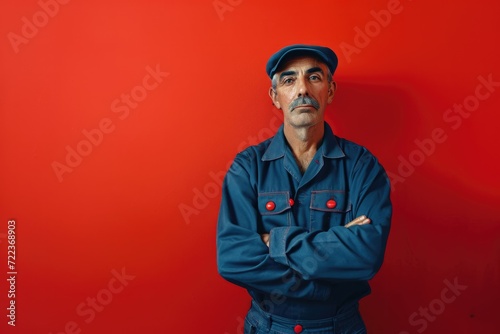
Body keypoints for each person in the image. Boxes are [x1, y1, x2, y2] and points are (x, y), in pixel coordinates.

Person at [216, 44, 392, 334]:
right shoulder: (247, 167)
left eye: (314, 77)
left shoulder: (362, 166)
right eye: (288, 80)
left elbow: (367, 255)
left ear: (330, 91)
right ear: (276, 97)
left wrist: (275, 241)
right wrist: (327, 272)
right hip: (269, 326)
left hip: (339, 327)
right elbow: (232, 259)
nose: (302, 90)